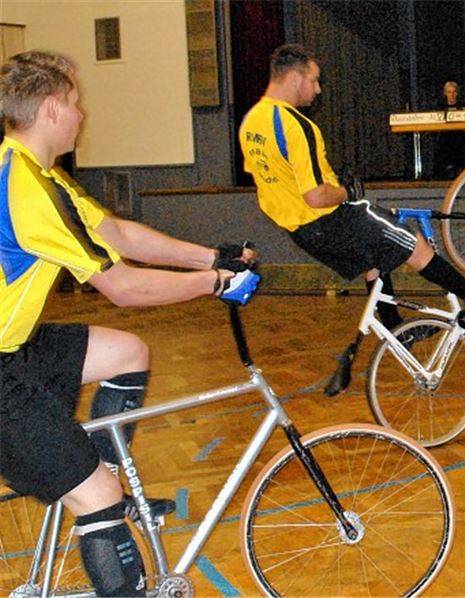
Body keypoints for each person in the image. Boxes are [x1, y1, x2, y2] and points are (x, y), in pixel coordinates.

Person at [0, 50, 258, 596]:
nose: (82, 114)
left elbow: (118, 233)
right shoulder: (29, 190)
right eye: (74, 103)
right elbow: (123, 286)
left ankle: (105, 483)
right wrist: (214, 285)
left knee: (126, 353)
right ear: (50, 109)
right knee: (97, 497)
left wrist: (211, 256)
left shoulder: (31, 171)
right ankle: (102, 501)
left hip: (15, 347)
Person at [237, 45, 465, 346]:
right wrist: (346, 191)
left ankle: (395, 328)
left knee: (376, 252)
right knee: (409, 239)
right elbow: (315, 196)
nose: (317, 90)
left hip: (299, 231)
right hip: (327, 219)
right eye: (313, 80)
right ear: (294, 78)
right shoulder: (296, 124)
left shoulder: (251, 122)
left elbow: (273, 177)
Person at [433, 80, 465, 180]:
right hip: (445, 137)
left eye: (453, 92)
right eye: (449, 92)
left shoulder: (463, 106)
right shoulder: (439, 107)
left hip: (460, 137)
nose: (451, 94)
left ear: (457, 93)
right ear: (445, 93)